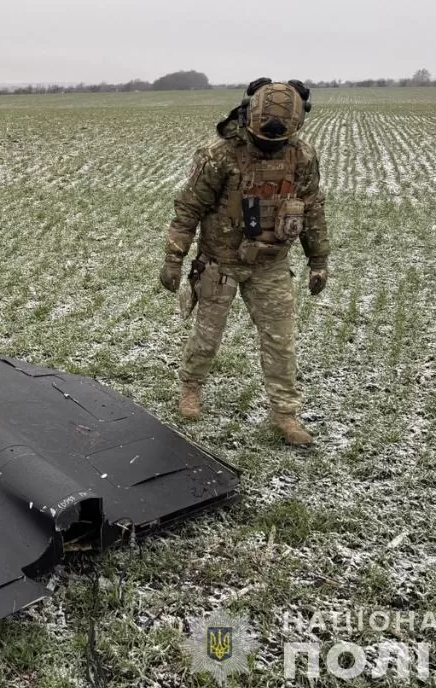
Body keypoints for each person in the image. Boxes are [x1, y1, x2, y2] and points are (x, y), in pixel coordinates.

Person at [158, 79, 329, 446]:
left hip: (271, 264)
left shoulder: (302, 157)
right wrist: (174, 258)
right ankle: (191, 388)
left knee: (280, 341)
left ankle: (285, 414)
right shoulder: (220, 154)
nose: (271, 146)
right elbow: (188, 208)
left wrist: (319, 259)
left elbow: (313, 208)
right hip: (220, 262)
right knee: (207, 335)